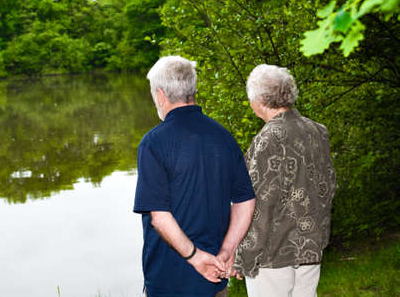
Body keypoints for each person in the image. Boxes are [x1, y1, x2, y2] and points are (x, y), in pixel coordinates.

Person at [134, 55, 256, 297]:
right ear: (192, 90)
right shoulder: (223, 136)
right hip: (215, 275)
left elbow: (159, 216)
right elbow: (245, 200)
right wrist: (227, 250)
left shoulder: (153, 143)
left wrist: (195, 257)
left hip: (169, 279)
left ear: (160, 95)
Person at [234, 64, 336, 297]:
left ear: (259, 99)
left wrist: (245, 256)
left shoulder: (268, 139)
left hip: (272, 254)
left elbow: (258, 204)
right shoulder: (317, 131)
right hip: (310, 245)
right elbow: (328, 185)